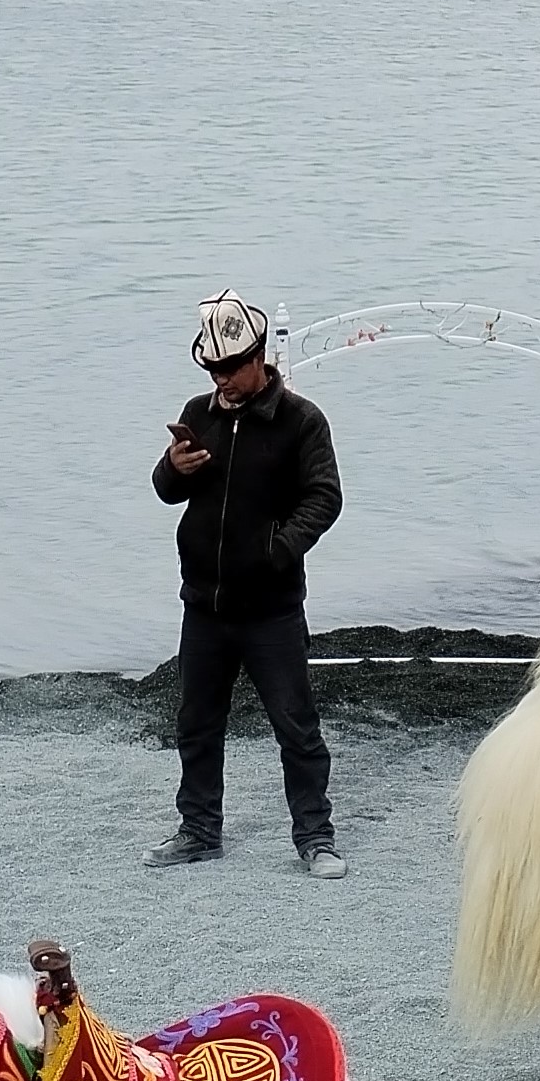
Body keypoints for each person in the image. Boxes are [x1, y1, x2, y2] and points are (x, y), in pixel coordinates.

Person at [147, 291, 349, 877]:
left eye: (231, 368)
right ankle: (198, 830)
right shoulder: (199, 412)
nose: (222, 380)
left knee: (297, 728)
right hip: (203, 605)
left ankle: (315, 837)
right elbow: (167, 491)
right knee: (196, 724)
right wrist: (171, 468)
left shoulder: (302, 422)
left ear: (259, 358)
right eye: (212, 370)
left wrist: (276, 552)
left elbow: (325, 497)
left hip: (272, 609)